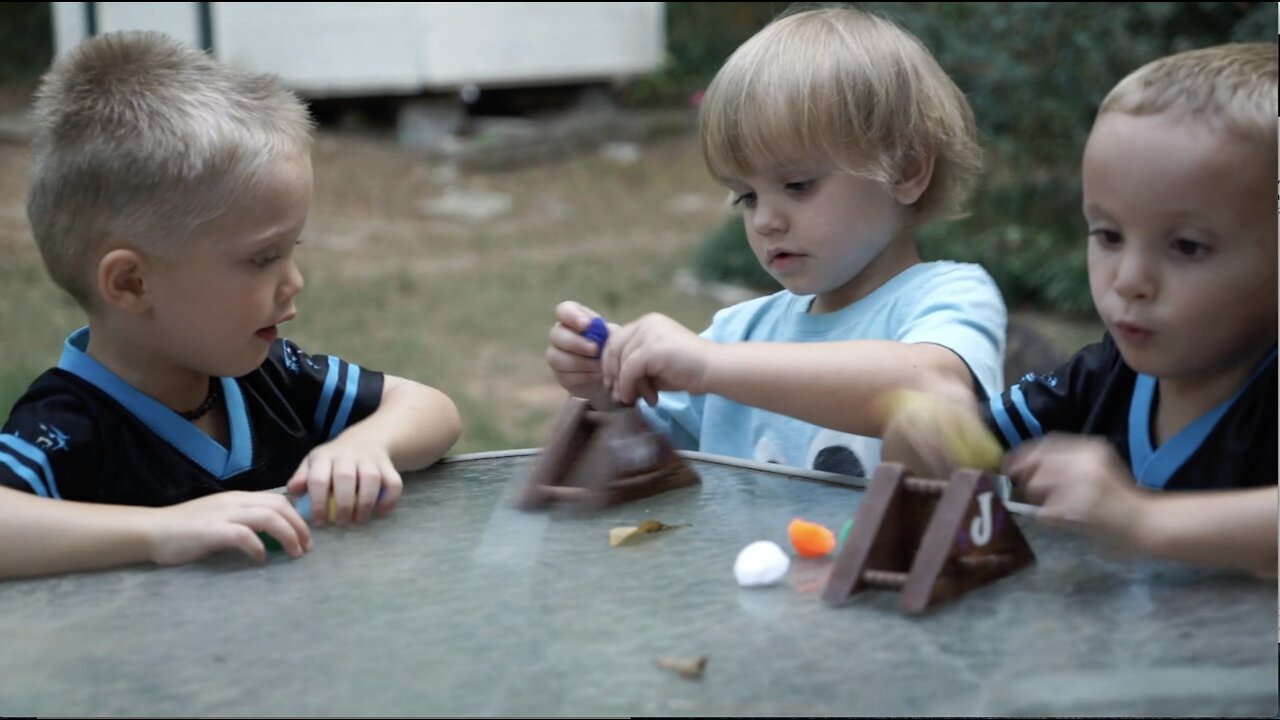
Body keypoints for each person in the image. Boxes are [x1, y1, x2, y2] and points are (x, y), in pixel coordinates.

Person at [606, 42, 1279, 578]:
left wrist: (1144, 523)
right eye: (1107, 236)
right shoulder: (1105, 377)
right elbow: (962, 430)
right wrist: (934, 439)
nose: (1129, 280)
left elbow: (924, 379)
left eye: (1186, 246)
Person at [0, 31, 462, 579]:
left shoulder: (270, 376)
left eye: (292, 251)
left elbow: (433, 409)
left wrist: (367, 443)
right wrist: (159, 532)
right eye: (261, 258)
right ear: (132, 284)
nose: (294, 281)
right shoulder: (73, 424)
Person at [547, 7, 1006, 478]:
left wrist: (711, 366)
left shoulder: (948, 297)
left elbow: (928, 388)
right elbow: (637, 468)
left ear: (906, 169)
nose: (765, 221)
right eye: (746, 196)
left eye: (799, 185)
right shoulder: (738, 333)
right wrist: (607, 389)